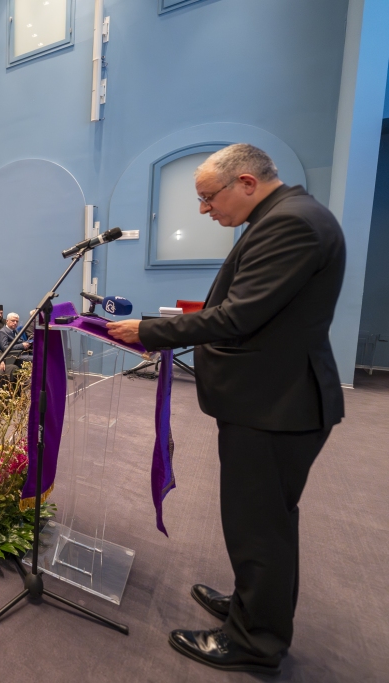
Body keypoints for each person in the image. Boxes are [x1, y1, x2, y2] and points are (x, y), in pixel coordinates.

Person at [105, 143, 345, 675]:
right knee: (263, 521)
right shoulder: (284, 217)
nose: (204, 209)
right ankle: (252, 606)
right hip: (271, 399)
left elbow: (238, 317)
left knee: (259, 526)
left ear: (246, 183)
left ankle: (255, 641)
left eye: (208, 197)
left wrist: (149, 331)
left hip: (275, 404)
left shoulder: (291, 224)